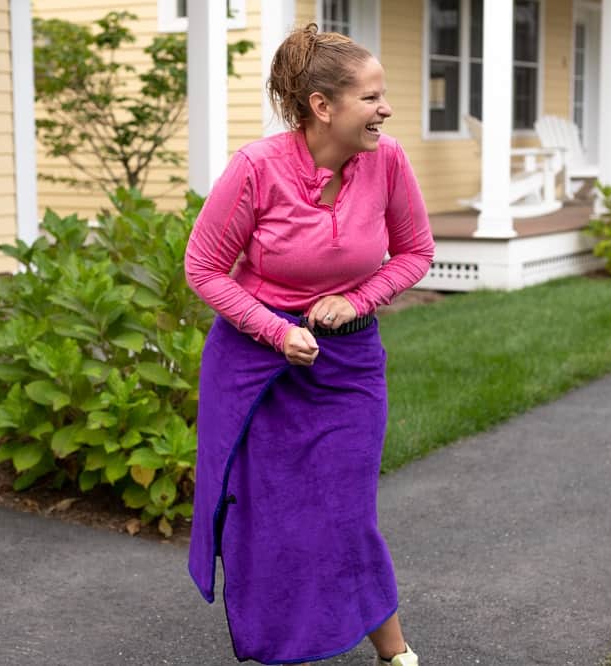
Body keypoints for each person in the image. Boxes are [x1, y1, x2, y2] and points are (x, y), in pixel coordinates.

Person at [184, 23, 434, 666]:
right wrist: (276, 329)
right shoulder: (256, 168)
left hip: (347, 366)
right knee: (270, 517)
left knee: (346, 510)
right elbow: (204, 267)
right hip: (256, 369)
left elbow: (414, 253)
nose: (386, 109)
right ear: (323, 107)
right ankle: (278, 649)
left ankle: (394, 652)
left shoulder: (389, 160)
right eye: (372, 97)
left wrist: (356, 300)